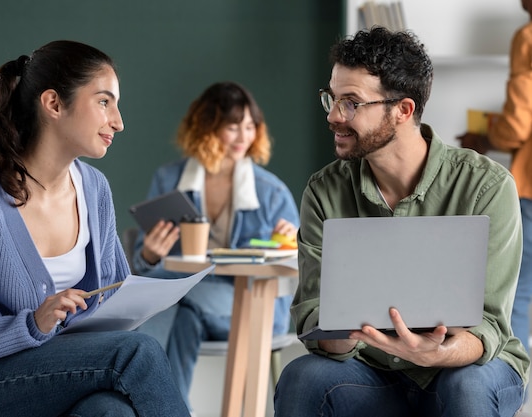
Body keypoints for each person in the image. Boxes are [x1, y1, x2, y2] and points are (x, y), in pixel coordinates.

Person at [0, 40, 190, 417]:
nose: (118, 121)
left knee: (108, 411)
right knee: (137, 352)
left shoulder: (94, 189)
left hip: (52, 367)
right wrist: (29, 324)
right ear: (54, 104)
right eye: (104, 102)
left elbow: (112, 297)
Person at [274, 27, 530, 417]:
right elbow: (312, 309)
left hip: (465, 368)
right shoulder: (324, 191)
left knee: (468, 385)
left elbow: (489, 324)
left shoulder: (486, 186)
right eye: (331, 98)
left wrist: (440, 352)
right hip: (371, 371)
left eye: (351, 102)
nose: (333, 115)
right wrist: (340, 337)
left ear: (403, 110)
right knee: (302, 376)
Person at [131, 81, 299, 409]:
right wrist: (152, 252)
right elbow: (142, 260)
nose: (243, 137)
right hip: (188, 307)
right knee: (186, 313)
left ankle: (156, 406)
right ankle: (175, 410)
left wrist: (289, 241)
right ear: (207, 127)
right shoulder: (168, 180)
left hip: (254, 306)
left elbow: (296, 263)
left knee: (170, 300)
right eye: (233, 127)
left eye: (250, 127)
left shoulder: (271, 192)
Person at [457, 0, 532, 356]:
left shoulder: (528, 36)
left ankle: (510, 394)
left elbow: (517, 126)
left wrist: (484, 137)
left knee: (517, 291)